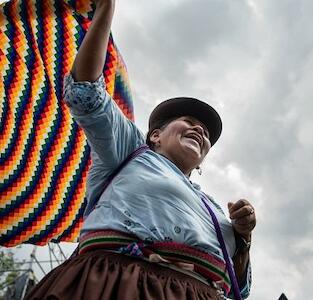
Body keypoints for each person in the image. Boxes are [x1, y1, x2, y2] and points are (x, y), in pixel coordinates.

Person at [25, 0, 255, 299]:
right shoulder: (131, 151)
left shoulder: (212, 207)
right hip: (120, 282)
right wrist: (105, 13)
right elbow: (85, 92)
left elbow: (241, 288)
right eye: (189, 121)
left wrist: (244, 234)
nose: (200, 130)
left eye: (207, 133)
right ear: (155, 136)